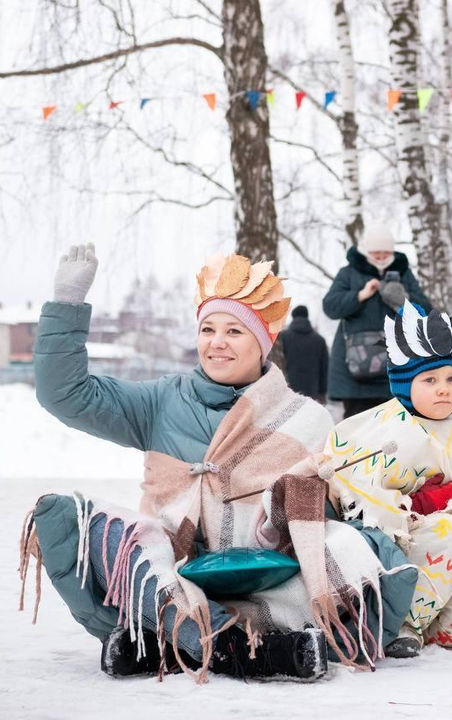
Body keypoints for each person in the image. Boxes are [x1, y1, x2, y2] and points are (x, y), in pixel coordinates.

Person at [22, 246, 416, 682]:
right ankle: (242, 649)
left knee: (351, 544)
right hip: (172, 571)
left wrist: (293, 498)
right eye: (208, 329)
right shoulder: (160, 402)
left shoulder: (306, 419)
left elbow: (312, 528)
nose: (217, 342)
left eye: (234, 331)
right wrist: (67, 303)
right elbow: (67, 396)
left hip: (267, 577)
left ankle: (165, 645)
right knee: (76, 525)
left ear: (264, 340)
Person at [319, 300, 452, 658]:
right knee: (450, 531)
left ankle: (429, 615)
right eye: (430, 380)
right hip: (395, 558)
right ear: (405, 383)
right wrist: (418, 505)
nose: (444, 389)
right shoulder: (380, 427)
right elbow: (354, 499)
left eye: (451, 378)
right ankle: (401, 624)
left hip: (450, 566)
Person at [324, 223, 431, 418]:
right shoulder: (348, 273)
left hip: (396, 368)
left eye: (385, 253)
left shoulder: (404, 273)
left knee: (397, 429)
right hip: (355, 373)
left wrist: (402, 298)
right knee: (357, 431)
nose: (381, 258)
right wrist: (360, 295)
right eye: (376, 253)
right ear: (365, 250)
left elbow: (426, 312)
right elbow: (330, 307)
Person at [277, 305, 329, 403]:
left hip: (287, 389)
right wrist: (322, 392)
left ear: (293, 316)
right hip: (312, 390)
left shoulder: (283, 337)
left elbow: (277, 363)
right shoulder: (319, 340)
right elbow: (324, 369)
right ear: (306, 316)